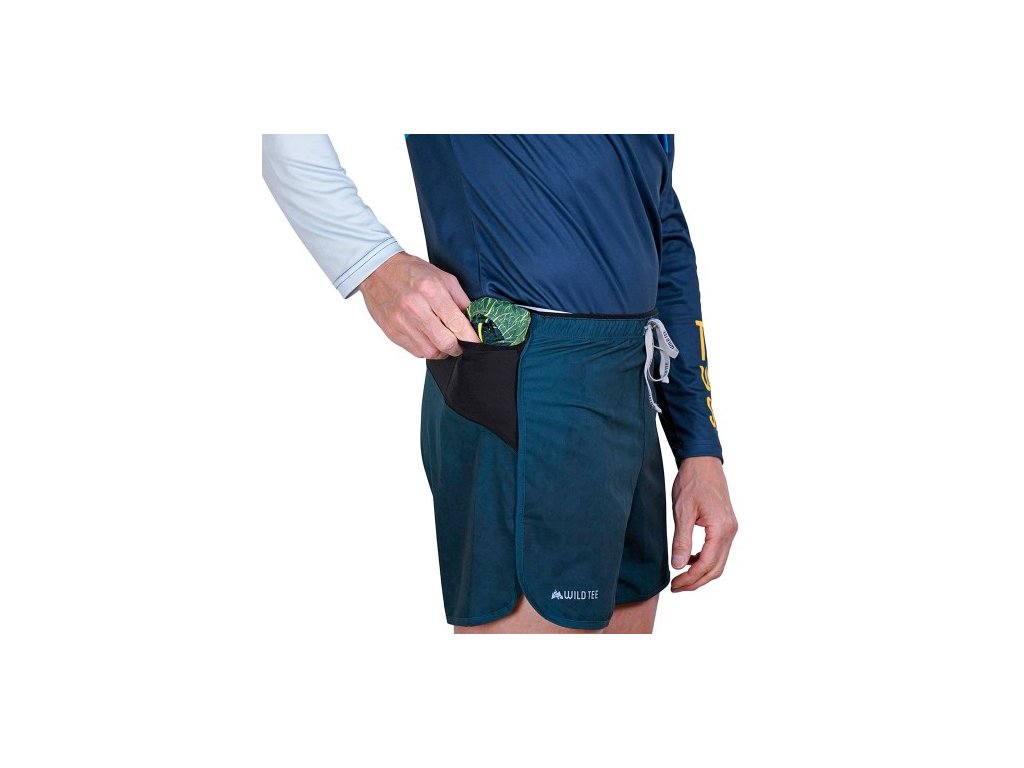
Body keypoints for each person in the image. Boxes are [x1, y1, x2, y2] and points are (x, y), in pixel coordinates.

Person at [262, 134, 738, 634]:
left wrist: (698, 448)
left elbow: (663, 227)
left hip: (629, 382)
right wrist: (373, 264)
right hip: (528, 375)